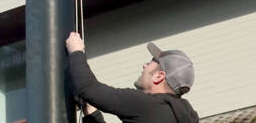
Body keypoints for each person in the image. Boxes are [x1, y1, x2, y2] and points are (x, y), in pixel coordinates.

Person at [65, 32, 199, 123]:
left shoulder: (146, 105)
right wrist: (91, 111)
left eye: (151, 62)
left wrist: (76, 51)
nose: (144, 66)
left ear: (159, 76)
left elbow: (88, 89)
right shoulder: (178, 116)